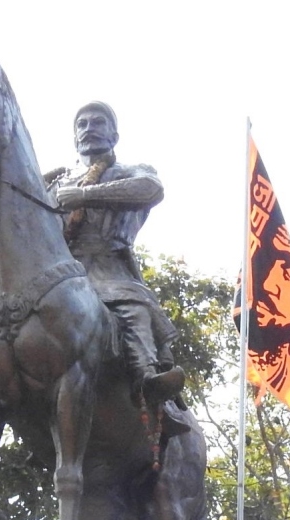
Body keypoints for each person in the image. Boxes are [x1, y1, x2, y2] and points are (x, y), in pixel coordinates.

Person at [46, 102, 186, 413]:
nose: (89, 128)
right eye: (81, 124)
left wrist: (85, 196)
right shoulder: (55, 181)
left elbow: (151, 189)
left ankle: (148, 379)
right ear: (74, 138)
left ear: (114, 135)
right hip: (55, 271)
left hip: (108, 268)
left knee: (133, 310)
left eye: (98, 122)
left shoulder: (130, 172)